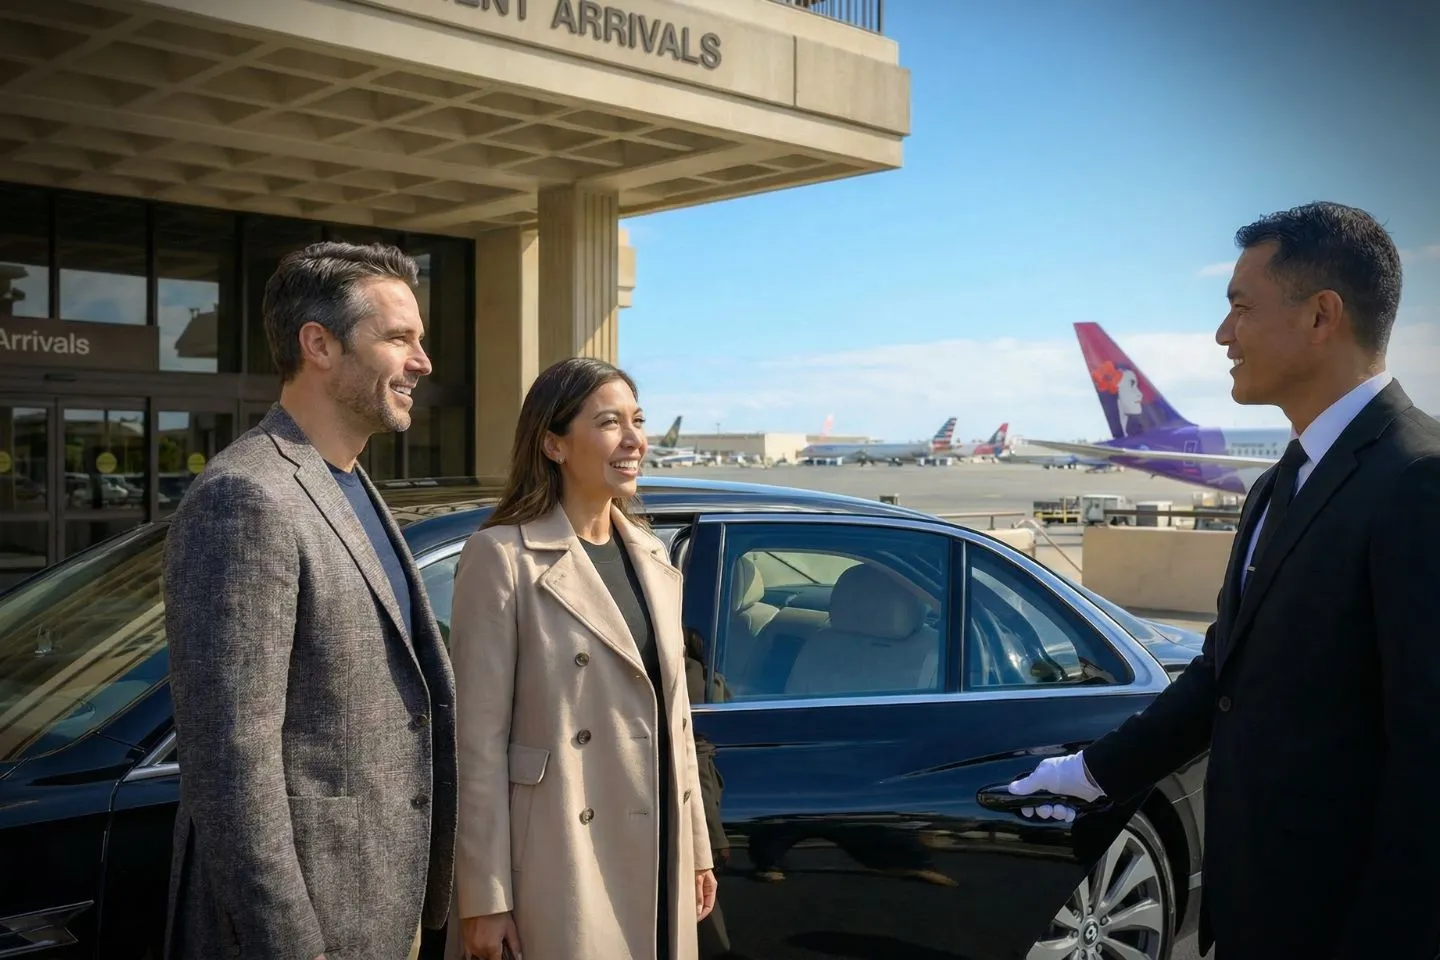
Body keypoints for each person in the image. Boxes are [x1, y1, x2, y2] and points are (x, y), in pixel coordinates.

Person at [1009, 201, 1440, 959]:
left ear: (1321, 315)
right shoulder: (1280, 484)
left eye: (1241, 307)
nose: (1221, 334)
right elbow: (1224, 673)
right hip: (1255, 913)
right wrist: (1089, 773)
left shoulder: (1419, 480)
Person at [163, 241, 458, 960]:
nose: (423, 362)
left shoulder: (351, 485)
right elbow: (232, 765)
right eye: (399, 338)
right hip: (311, 930)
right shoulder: (246, 496)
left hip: (384, 911)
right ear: (319, 345)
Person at [445, 357, 716, 960]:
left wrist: (696, 849)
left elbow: (676, 724)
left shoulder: (652, 556)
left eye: (637, 420)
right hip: (557, 859)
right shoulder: (502, 557)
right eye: (609, 423)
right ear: (554, 444)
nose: (634, 439)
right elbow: (477, 745)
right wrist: (484, 897)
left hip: (659, 851)